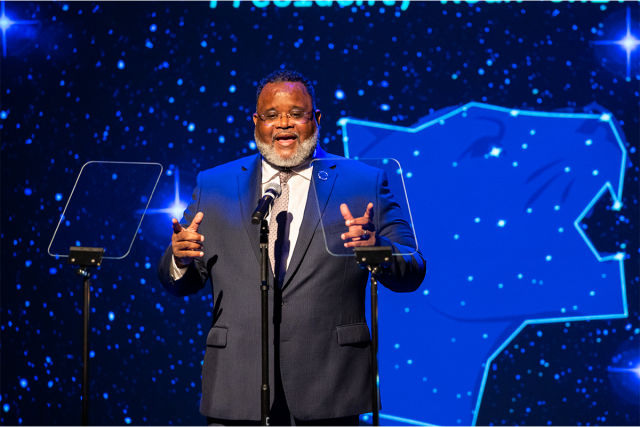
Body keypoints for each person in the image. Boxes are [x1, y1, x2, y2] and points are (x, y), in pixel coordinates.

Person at [157, 69, 426, 426]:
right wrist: (179, 259)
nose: (283, 124)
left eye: (296, 114)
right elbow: (180, 281)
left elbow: (413, 268)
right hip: (237, 385)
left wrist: (377, 249)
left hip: (330, 385)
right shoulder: (215, 185)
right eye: (271, 115)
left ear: (315, 119)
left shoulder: (364, 182)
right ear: (256, 122)